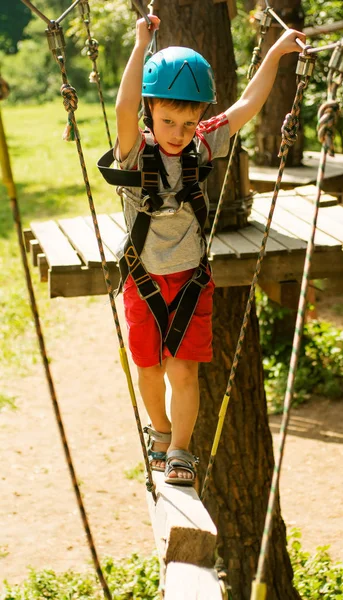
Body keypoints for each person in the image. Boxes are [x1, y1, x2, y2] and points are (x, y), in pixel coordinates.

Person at [111, 14, 305, 486]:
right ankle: (159, 431)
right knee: (150, 370)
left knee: (183, 372)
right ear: (150, 112)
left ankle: (180, 450)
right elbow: (124, 105)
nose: (178, 131)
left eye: (188, 120)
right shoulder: (135, 150)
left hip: (192, 280)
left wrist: (277, 52)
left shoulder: (203, 144)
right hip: (143, 278)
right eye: (167, 120)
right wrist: (140, 45)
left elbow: (247, 105)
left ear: (200, 117)